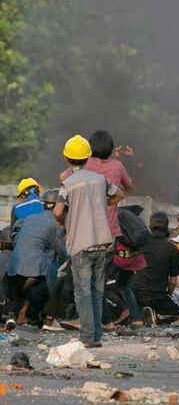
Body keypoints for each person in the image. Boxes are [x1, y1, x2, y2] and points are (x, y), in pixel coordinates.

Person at [60, 131, 137, 328]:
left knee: (82, 280)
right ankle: (106, 320)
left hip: (85, 231)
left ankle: (90, 322)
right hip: (109, 232)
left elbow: (63, 177)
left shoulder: (86, 166)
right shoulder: (118, 165)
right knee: (99, 281)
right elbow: (129, 188)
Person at [5, 189, 65, 326]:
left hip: (14, 268)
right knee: (54, 276)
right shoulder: (54, 224)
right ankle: (46, 317)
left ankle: (15, 314)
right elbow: (62, 252)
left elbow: (15, 235)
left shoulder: (30, 218)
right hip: (34, 271)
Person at [132, 212, 179, 325]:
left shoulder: (139, 244)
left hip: (137, 294)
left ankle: (141, 314)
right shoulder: (172, 249)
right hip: (159, 296)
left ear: (150, 226)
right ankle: (157, 315)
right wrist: (168, 295)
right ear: (166, 228)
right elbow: (173, 281)